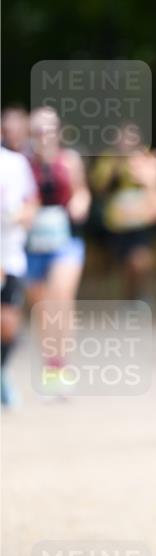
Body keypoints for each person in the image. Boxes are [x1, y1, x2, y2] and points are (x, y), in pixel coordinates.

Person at [25, 107, 91, 389]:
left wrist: (79, 204)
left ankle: (60, 364)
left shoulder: (69, 159)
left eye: (49, 130)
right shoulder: (22, 163)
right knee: (42, 309)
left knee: (61, 301)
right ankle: (50, 363)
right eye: (38, 131)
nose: (44, 136)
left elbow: (82, 191)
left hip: (65, 242)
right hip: (32, 244)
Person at [89, 124, 156, 301]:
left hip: (141, 221)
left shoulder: (145, 157)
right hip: (117, 224)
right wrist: (116, 169)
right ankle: (130, 296)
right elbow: (98, 186)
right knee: (125, 264)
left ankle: (140, 294)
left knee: (140, 260)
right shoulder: (109, 158)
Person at [1, 144, 38, 405]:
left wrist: (24, 215)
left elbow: (31, 201)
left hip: (10, 256)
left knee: (7, 326)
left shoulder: (15, 163)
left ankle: (1, 370)